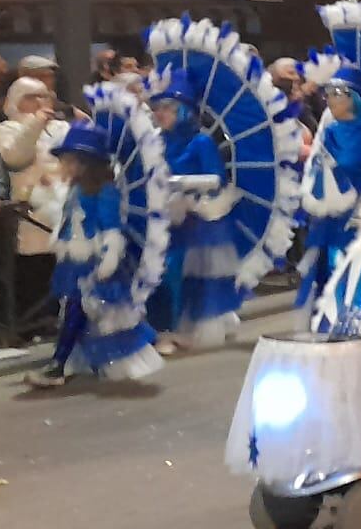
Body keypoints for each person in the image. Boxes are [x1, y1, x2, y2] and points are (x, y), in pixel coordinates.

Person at [25, 112, 165, 387]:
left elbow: (112, 228)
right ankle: (71, 362)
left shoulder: (105, 191)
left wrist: (109, 260)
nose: (64, 165)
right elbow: (65, 218)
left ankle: (58, 364)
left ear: (85, 163)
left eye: (69, 160)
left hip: (93, 260)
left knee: (80, 311)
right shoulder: (76, 189)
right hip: (73, 260)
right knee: (79, 313)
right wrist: (48, 193)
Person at [295, 55, 361, 308]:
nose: (327, 100)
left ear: (352, 98)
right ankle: (328, 318)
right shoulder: (330, 130)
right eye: (326, 94)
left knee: (354, 270)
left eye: (334, 94)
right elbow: (320, 166)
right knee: (327, 268)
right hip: (330, 215)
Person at [144, 70, 234, 354]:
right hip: (160, 218)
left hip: (193, 220)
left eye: (167, 108)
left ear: (183, 110)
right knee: (157, 272)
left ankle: (177, 330)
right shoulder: (155, 141)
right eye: (156, 108)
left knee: (176, 273)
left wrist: (178, 183)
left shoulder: (201, 142)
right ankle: (161, 329)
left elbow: (216, 180)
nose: (160, 114)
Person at [0, 76, 69, 313]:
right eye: (31, 97)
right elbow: (15, 158)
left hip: (63, 204)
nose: (38, 101)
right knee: (33, 267)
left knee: (62, 263)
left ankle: (60, 316)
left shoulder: (61, 127)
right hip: (30, 211)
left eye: (43, 95)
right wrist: (34, 125)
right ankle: (33, 321)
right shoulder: (5, 129)